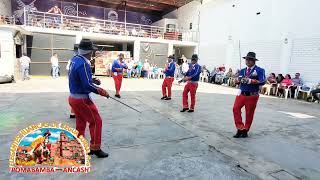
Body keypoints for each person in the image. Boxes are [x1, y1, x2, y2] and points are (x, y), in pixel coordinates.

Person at [68, 39, 109, 158]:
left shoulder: (75, 60)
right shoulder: (84, 63)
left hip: (73, 98)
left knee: (80, 123)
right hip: (82, 100)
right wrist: (102, 91)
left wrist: (91, 80)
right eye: (92, 51)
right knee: (96, 122)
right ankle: (95, 148)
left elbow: (77, 78)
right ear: (89, 52)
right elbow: (87, 85)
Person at [233, 52, 266, 138]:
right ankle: (240, 127)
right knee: (235, 109)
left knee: (249, 113)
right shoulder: (242, 70)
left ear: (254, 61)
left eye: (249, 59)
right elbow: (238, 80)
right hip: (241, 93)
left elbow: (263, 81)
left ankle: (245, 130)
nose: (247, 61)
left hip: (252, 95)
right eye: (246, 59)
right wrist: (237, 81)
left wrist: (251, 81)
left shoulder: (259, 70)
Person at [66, 44, 79, 119]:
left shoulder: (72, 60)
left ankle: (72, 113)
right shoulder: (79, 60)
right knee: (77, 97)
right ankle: (75, 113)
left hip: (71, 80)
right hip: (76, 81)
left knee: (73, 95)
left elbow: (68, 69)